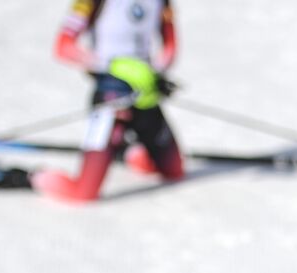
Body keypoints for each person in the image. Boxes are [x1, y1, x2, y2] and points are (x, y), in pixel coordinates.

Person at [29, 0, 185, 202]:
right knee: (84, 193)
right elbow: (63, 46)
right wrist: (112, 65)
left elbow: (170, 47)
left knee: (174, 170)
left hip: (145, 95)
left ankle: (125, 151)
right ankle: (23, 177)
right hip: (110, 97)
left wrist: (156, 73)